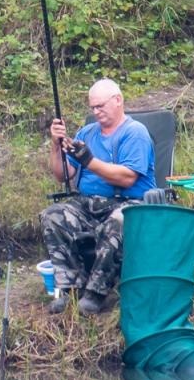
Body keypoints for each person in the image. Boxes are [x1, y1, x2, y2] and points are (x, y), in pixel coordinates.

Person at [40, 79, 156, 315]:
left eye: (100, 106)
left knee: (119, 220)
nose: (96, 111)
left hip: (128, 203)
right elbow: (63, 175)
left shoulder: (135, 133)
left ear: (118, 100)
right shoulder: (87, 132)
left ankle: (95, 294)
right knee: (52, 215)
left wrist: (89, 161)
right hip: (88, 204)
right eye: (93, 107)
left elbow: (127, 178)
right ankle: (70, 288)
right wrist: (55, 145)